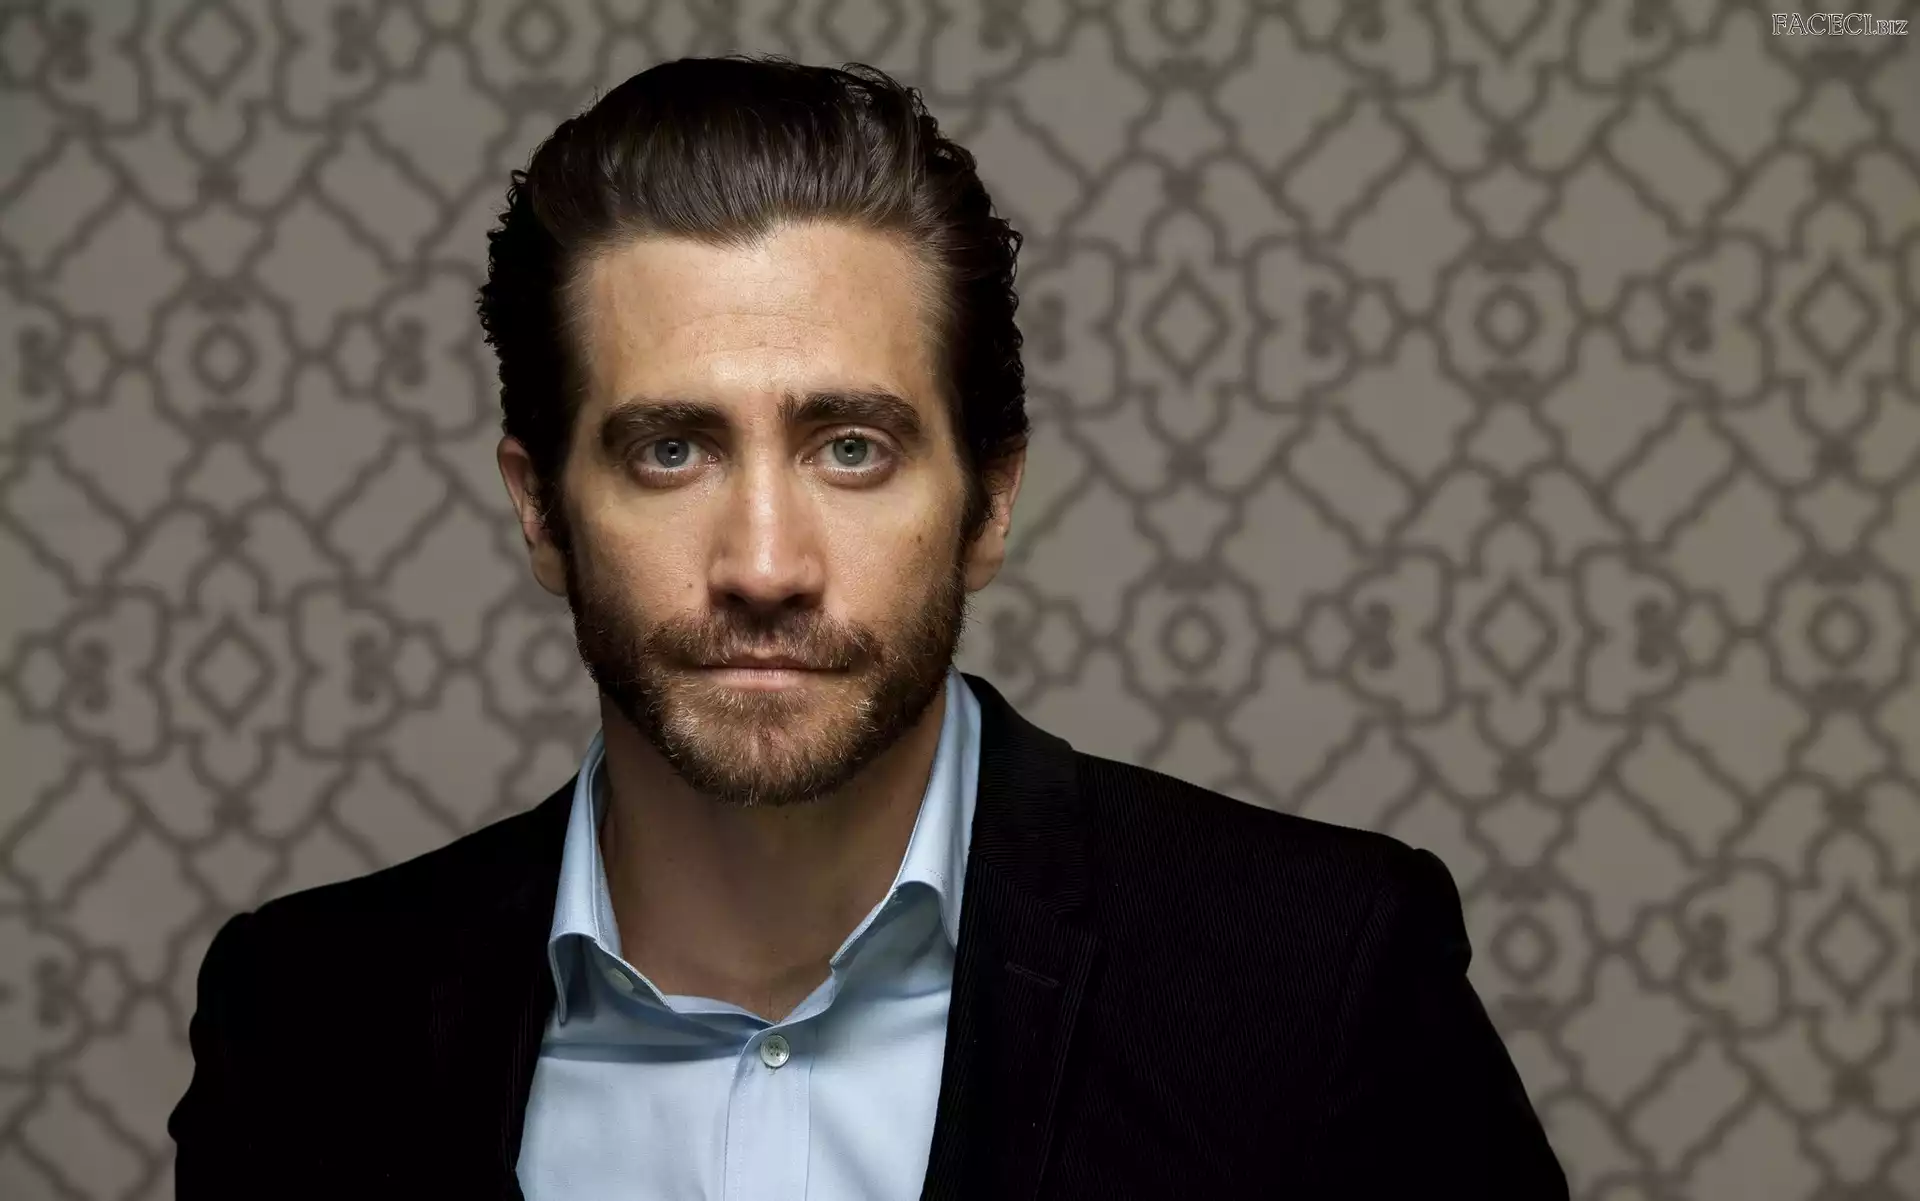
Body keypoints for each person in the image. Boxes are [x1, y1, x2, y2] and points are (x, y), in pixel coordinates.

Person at [168, 55, 1567, 1200]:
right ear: (542, 511)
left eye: (851, 449)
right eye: (671, 451)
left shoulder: (1318, 982)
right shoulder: (303, 1025)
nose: (765, 567)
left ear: (989, 503)